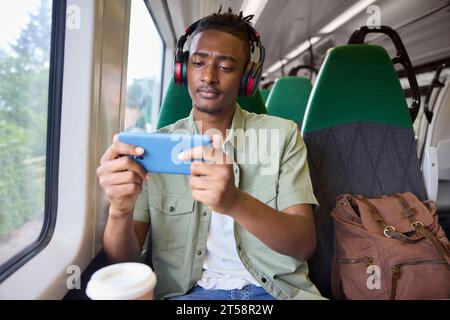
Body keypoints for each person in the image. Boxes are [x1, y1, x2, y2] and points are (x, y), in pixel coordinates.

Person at [96, 8, 323, 300]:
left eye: (226, 67)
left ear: (246, 79)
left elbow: (303, 244)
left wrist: (233, 201)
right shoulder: (152, 148)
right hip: (186, 296)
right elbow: (123, 265)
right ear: (183, 69)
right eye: (198, 63)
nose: (208, 77)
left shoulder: (282, 136)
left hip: (276, 293)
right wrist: (119, 211)